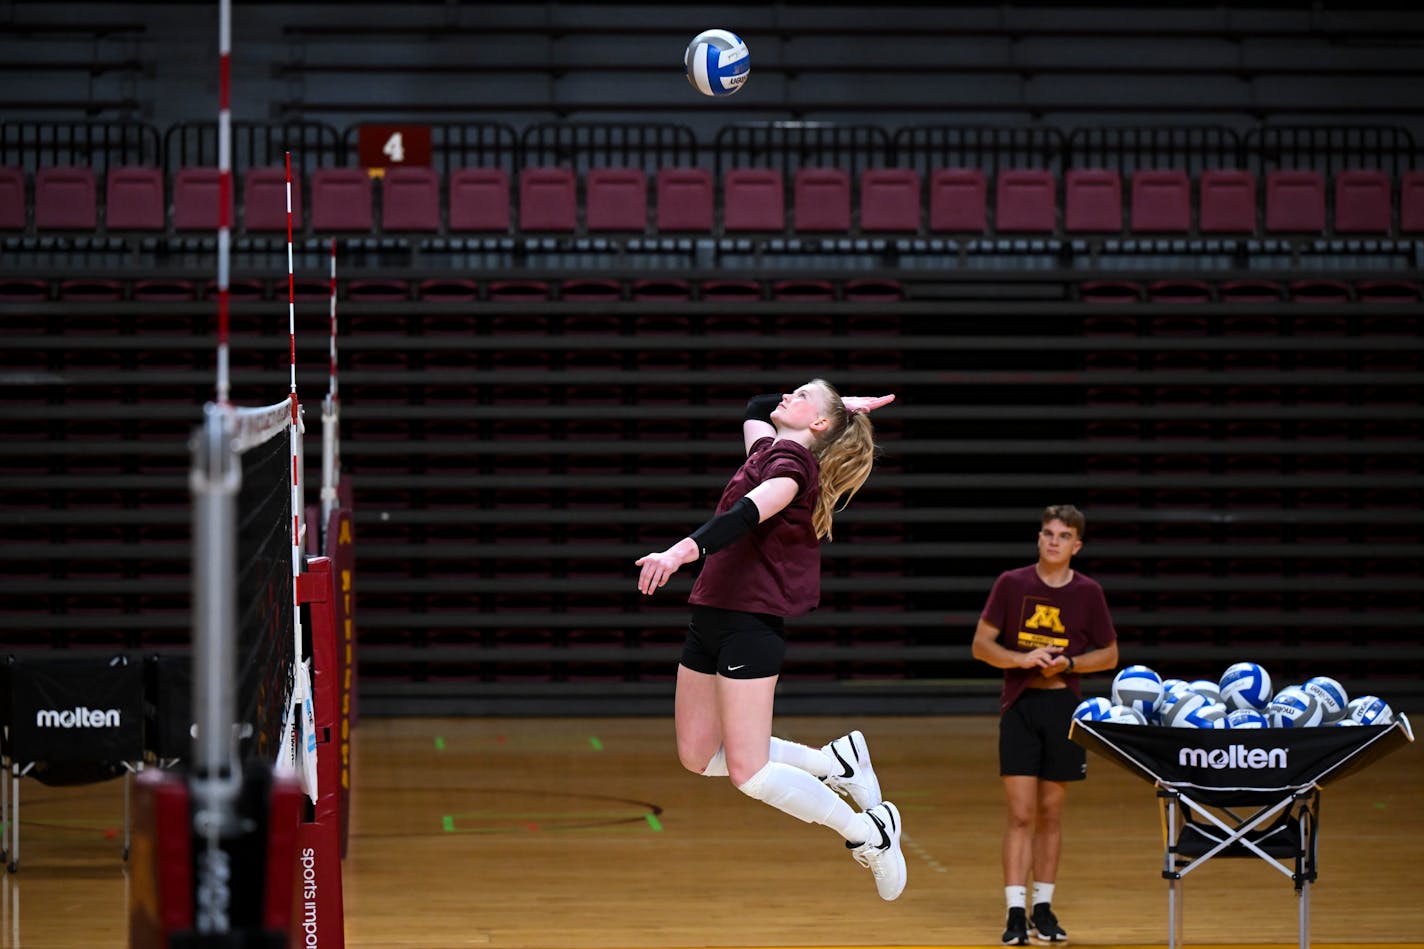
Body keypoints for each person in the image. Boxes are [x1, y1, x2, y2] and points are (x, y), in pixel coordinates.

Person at [634, 381, 906, 900]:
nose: (787, 396)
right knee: (697, 756)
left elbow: (741, 518)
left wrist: (675, 554)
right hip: (709, 616)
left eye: (802, 395)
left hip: (750, 626)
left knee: (749, 772)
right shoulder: (766, 449)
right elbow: (757, 407)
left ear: (817, 424)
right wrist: (843, 405)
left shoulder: (793, 469)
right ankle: (836, 763)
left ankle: (868, 832)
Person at [971, 504, 1120, 945]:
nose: (1052, 541)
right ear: (1039, 538)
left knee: (1051, 814)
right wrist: (1021, 659)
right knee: (1020, 814)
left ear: (1077, 545)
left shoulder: (1088, 592)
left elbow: (1109, 655)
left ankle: (1043, 908)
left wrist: (1069, 662)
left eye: (1062, 535)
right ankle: (1015, 912)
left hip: (1064, 709)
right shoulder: (1012, 584)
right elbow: (981, 645)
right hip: (1020, 706)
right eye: (1047, 533)